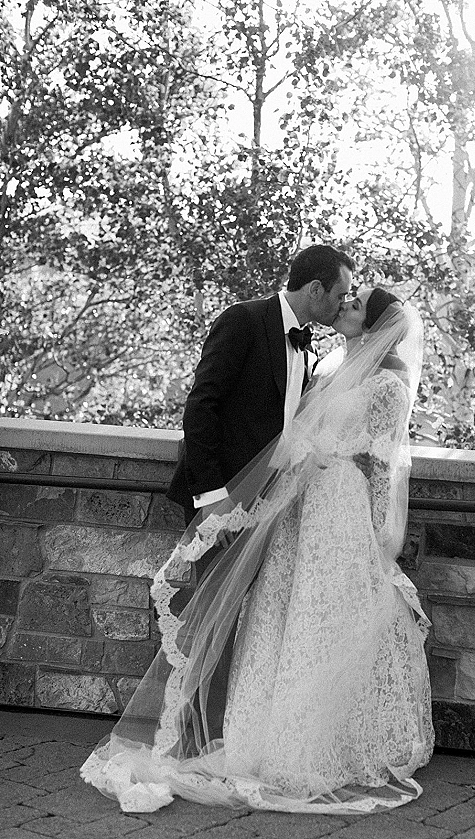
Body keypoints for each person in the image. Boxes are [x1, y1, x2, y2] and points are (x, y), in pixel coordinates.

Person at [81, 287, 433, 816]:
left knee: (321, 618)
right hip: (295, 508)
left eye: (356, 304)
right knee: (277, 614)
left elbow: (383, 466)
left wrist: (378, 538)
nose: (345, 307)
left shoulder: (390, 385)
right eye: (344, 296)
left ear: (377, 322)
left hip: (339, 509)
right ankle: (256, 736)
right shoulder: (331, 363)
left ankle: (315, 740)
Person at [165, 244, 353, 740]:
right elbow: (201, 406)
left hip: (266, 504)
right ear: (315, 290)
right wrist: (213, 498)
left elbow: (286, 427)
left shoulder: (309, 345)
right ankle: (189, 739)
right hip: (222, 503)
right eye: (340, 295)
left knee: (240, 621)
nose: (342, 305)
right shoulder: (244, 321)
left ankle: (218, 736)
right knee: (209, 622)